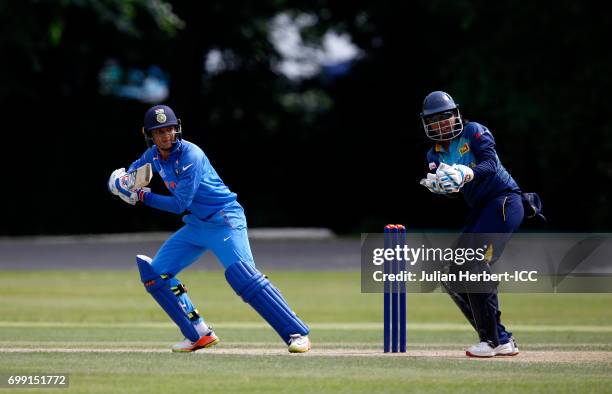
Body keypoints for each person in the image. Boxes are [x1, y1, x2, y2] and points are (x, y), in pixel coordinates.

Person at [108, 104, 311, 353]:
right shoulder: (152, 156)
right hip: (197, 224)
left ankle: (296, 333)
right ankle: (199, 334)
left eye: (170, 129)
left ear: (177, 128)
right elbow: (130, 175)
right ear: (149, 134)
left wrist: (141, 196)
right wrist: (119, 182)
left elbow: (179, 204)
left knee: (243, 276)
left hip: (224, 219)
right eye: (159, 131)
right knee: (156, 275)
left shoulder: (191, 155)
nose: (166, 136)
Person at [418, 91, 543, 358]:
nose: (442, 123)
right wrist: (440, 188)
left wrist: (468, 171)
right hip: (481, 209)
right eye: (435, 120)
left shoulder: (474, 132)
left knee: (473, 261)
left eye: (446, 116)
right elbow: (454, 188)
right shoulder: (435, 152)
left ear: (456, 116)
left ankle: (495, 339)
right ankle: (495, 337)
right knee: (451, 273)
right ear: (427, 124)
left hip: (505, 200)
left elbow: (489, 162)